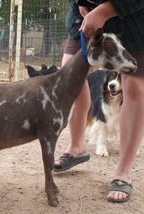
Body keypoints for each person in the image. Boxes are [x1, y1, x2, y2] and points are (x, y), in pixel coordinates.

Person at [53, 0, 144, 203]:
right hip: (85, 17)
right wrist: (79, 3)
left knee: (135, 88)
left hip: (135, 19)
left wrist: (105, 11)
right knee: (70, 77)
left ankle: (123, 173)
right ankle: (77, 148)